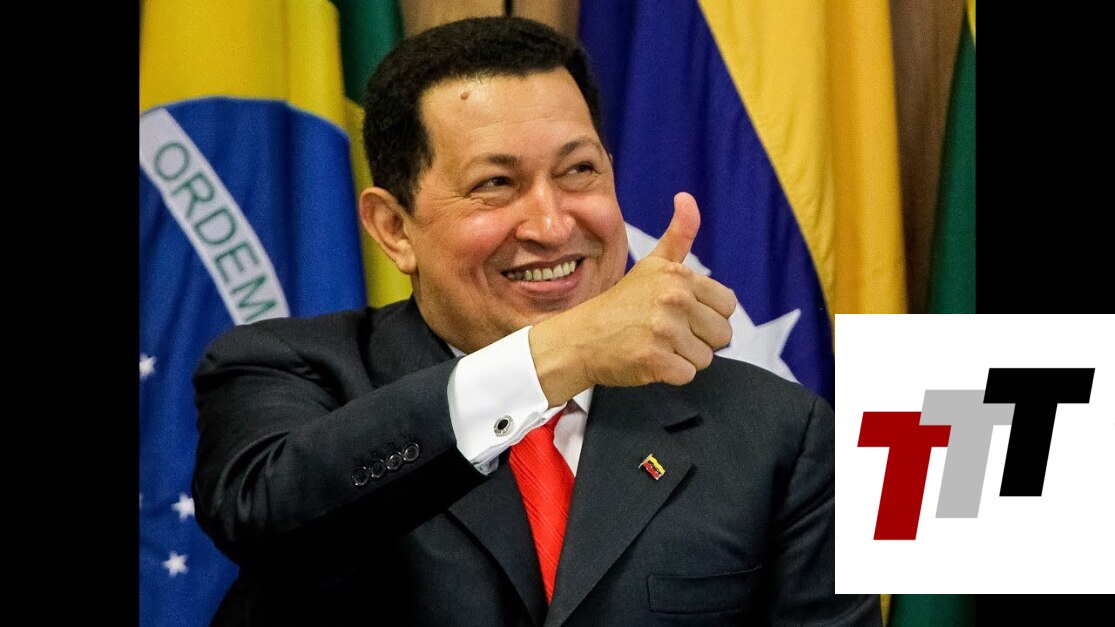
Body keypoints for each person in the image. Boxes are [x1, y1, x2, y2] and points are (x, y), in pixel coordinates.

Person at [192, 16, 881, 626]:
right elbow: (268, 514)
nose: (552, 225)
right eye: (496, 184)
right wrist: (560, 355)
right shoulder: (289, 371)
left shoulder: (776, 430)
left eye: (578, 171)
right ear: (394, 228)